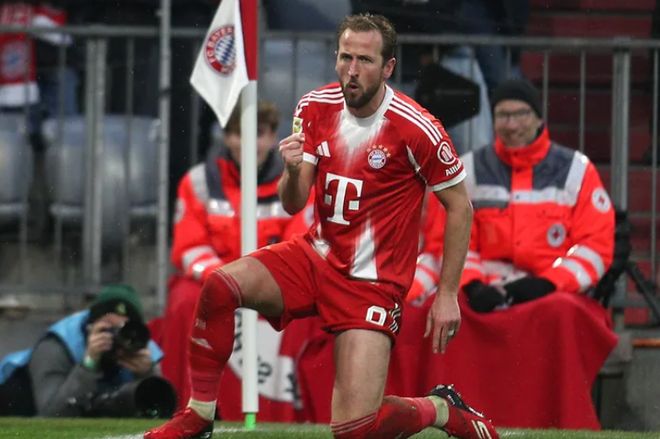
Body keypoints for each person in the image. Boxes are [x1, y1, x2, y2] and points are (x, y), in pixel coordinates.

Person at [145, 13, 500, 439]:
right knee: (219, 287)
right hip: (316, 257)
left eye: (365, 60)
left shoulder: (417, 127)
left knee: (354, 431)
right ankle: (199, 415)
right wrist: (293, 170)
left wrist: (446, 294)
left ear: (388, 67)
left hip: (372, 282)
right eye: (346, 57)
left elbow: (460, 206)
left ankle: (440, 408)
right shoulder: (314, 106)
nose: (352, 70)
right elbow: (293, 201)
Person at [390, 79, 618, 429]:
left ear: (539, 117)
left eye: (520, 114)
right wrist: (472, 284)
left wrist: (547, 284)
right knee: (444, 313)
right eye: (502, 115)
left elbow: (595, 247)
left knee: (562, 313)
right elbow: (448, 238)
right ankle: (453, 420)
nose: (511, 124)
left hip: (550, 294)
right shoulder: (465, 169)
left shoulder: (577, 170)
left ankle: (561, 422)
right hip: (481, 292)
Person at [158, 100, 312, 418]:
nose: (249, 143)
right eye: (241, 134)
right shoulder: (199, 181)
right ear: (228, 137)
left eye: (259, 133)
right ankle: (188, 407)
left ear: (272, 137)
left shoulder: (294, 183)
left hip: (274, 286)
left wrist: (256, 285)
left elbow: (298, 246)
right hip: (214, 283)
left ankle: (289, 415)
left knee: (316, 311)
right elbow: (189, 248)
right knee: (183, 300)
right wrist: (229, 284)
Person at [0, 285, 176, 418]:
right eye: (108, 329)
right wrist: (89, 363)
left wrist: (147, 374)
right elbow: (52, 415)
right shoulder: (57, 345)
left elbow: (161, 414)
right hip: (19, 404)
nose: (117, 339)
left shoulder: (140, 346)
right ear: (90, 326)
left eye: (124, 329)